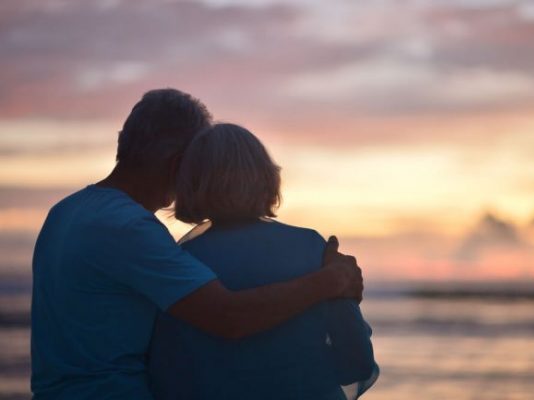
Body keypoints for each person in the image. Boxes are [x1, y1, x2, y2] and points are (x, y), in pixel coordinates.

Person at [30, 89, 363, 399]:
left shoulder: (64, 212)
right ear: (180, 163)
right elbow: (228, 317)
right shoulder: (130, 228)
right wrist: (330, 281)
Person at [148, 123, 378, 399]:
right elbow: (357, 363)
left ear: (190, 184)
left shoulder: (178, 261)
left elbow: (165, 373)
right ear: (266, 177)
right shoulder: (313, 250)